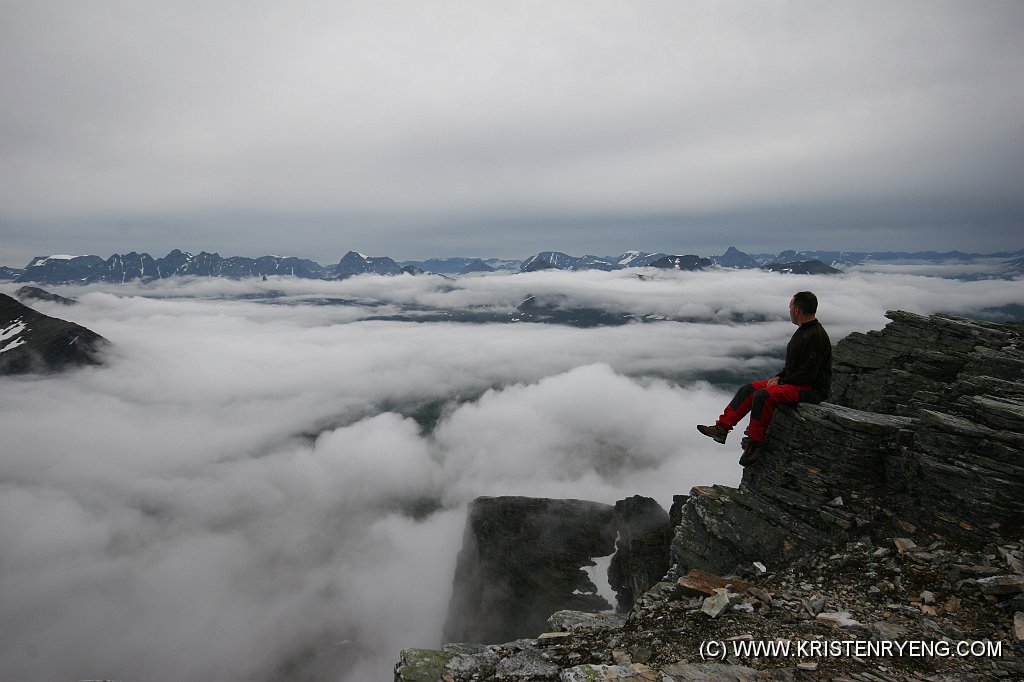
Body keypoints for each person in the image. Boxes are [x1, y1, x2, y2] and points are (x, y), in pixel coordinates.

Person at [697, 291, 832, 466]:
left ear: (797, 310)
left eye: (791, 306)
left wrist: (782, 382)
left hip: (811, 390)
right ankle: (721, 428)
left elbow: (809, 374)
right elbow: (794, 367)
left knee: (763, 396)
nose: (789, 310)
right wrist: (779, 377)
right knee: (749, 389)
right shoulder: (804, 332)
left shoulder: (815, 336)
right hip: (796, 383)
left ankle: (755, 444)